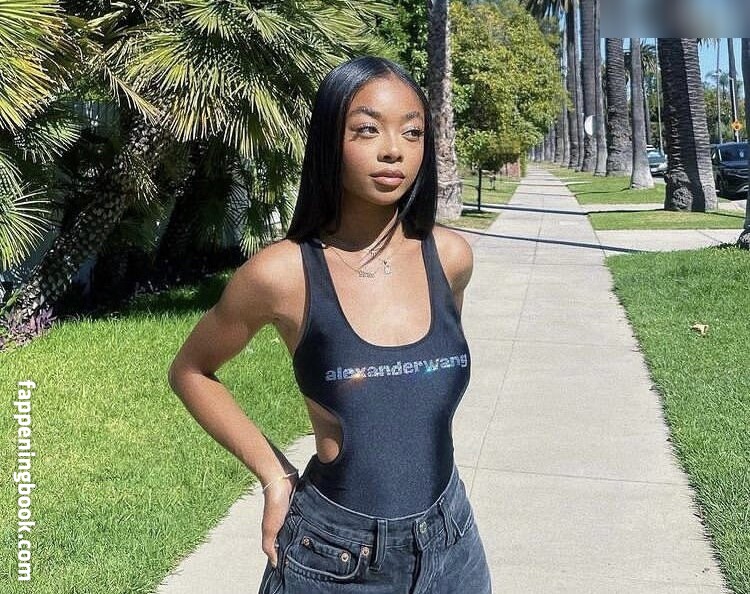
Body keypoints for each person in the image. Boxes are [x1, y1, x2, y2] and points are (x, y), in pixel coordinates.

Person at [167, 55, 492, 593]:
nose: (394, 149)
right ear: (329, 141)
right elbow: (191, 371)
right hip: (337, 557)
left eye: (412, 132)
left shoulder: (450, 258)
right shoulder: (283, 273)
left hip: (452, 543)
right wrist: (274, 476)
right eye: (368, 129)